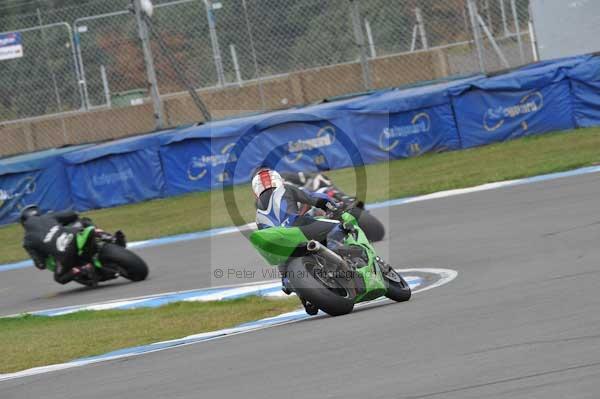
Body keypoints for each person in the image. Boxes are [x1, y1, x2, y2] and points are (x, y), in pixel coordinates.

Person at [20, 205, 96, 285]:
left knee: (59, 278)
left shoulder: (27, 240)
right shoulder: (48, 216)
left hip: (63, 254)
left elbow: (40, 264)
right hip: (74, 237)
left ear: (23, 223)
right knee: (84, 221)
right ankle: (100, 233)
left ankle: (81, 269)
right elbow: (72, 214)